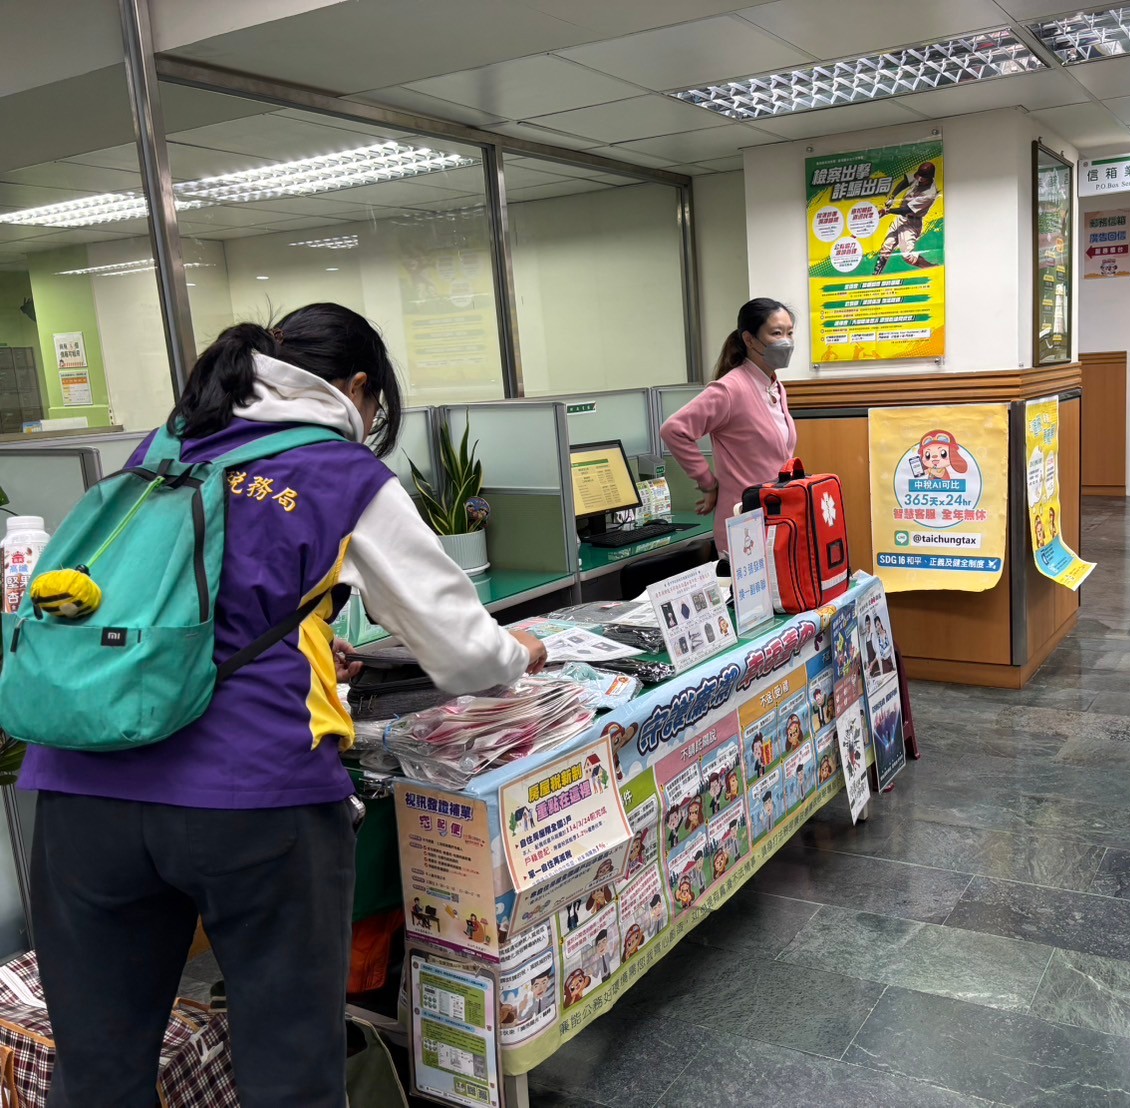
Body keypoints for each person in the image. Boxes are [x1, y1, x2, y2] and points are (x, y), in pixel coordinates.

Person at [21, 304, 548, 1108]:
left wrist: (304, 638)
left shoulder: (162, 447)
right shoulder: (340, 471)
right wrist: (521, 654)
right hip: (254, 797)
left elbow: (174, 605)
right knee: (289, 1073)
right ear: (359, 388)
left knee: (96, 1073)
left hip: (80, 786)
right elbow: (464, 654)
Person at [660, 298, 798, 562]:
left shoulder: (774, 386)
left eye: (790, 333)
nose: (786, 341)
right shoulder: (730, 388)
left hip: (776, 517)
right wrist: (707, 482)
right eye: (776, 333)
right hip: (744, 523)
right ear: (749, 339)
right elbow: (674, 430)